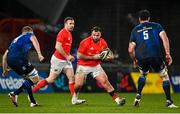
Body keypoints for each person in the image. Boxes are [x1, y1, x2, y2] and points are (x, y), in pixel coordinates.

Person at [128, 9, 178, 108]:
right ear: (149, 18)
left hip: (142, 57)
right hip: (155, 55)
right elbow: (165, 38)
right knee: (164, 76)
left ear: (139, 19)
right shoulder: (156, 26)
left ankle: (138, 95)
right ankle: (169, 101)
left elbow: (130, 50)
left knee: (143, 74)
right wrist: (168, 54)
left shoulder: (135, 30)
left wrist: (134, 60)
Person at [32, 17, 85, 105]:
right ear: (65, 24)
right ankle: (31, 92)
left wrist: (69, 56)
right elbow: (57, 47)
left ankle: (74, 99)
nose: (72, 25)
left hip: (66, 60)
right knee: (51, 79)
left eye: (73, 24)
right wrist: (67, 56)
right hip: (58, 60)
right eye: (70, 23)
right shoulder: (62, 33)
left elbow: (65, 48)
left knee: (72, 78)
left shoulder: (69, 34)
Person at [73, 26, 126, 106]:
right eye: (93, 35)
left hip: (96, 66)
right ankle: (74, 98)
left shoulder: (103, 42)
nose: (95, 37)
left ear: (100, 35)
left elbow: (108, 51)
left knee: (105, 82)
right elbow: (79, 56)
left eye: (97, 35)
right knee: (79, 84)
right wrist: (93, 57)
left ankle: (118, 100)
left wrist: (110, 56)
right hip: (83, 65)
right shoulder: (85, 42)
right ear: (91, 34)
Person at [2, 26, 44, 107]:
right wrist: (39, 54)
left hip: (10, 61)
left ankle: (32, 101)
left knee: (29, 79)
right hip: (19, 59)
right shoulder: (29, 35)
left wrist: (5, 70)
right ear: (29, 32)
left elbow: (4, 56)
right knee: (36, 78)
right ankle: (15, 94)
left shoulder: (14, 41)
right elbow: (34, 40)